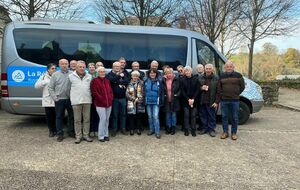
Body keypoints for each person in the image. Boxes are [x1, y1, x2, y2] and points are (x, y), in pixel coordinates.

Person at [48, 59, 74, 142]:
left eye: (66, 64)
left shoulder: (72, 74)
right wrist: (55, 98)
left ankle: (71, 132)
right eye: (62, 64)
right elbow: (50, 87)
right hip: (60, 100)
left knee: (71, 116)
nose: (64, 65)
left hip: (70, 99)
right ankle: (60, 134)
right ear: (59, 65)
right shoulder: (55, 75)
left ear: (68, 65)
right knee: (59, 117)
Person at [68, 60, 93, 144]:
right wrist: (72, 98)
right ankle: (78, 136)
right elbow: (68, 89)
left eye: (83, 67)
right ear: (76, 67)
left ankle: (86, 135)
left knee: (87, 119)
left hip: (87, 100)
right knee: (77, 120)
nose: (82, 68)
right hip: (76, 101)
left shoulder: (89, 76)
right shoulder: (71, 76)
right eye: (80, 67)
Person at [219, 61, 245, 140]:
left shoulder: (238, 75)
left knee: (235, 117)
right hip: (224, 100)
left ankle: (234, 133)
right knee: (224, 117)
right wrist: (221, 95)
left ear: (233, 67)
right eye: (227, 66)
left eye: (230, 66)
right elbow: (219, 87)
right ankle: (225, 132)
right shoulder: (221, 75)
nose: (229, 68)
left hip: (235, 100)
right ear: (225, 67)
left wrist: (236, 93)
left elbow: (242, 86)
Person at [107, 61, 130, 136]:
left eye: (119, 66)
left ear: (121, 67)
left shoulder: (124, 74)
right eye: (116, 66)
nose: (117, 68)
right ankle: (114, 129)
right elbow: (111, 80)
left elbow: (127, 81)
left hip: (123, 98)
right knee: (114, 115)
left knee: (123, 114)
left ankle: (123, 128)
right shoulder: (109, 74)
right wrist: (119, 76)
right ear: (113, 67)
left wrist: (118, 81)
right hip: (114, 98)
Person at [91, 66, 113, 142]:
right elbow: (94, 93)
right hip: (100, 104)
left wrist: (110, 98)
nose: (102, 73)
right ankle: (101, 136)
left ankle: (106, 134)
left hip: (109, 103)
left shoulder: (107, 80)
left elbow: (110, 91)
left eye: (103, 72)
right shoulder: (94, 81)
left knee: (107, 120)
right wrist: (101, 99)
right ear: (97, 73)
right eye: (100, 72)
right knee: (103, 119)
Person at [198, 64, 220, 137]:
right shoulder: (200, 77)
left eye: (209, 68)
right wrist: (201, 88)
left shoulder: (216, 78)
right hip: (202, 100)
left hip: (211, 101)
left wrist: (216, 102)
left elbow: (218, 91)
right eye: (206, 68)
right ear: (204, 69)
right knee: (203, 115)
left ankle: (211, 130)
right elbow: (197, 88)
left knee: (212, 116)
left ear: (212, 69)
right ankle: (204, 128)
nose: (208, 70)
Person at [35, 63, 57, 137]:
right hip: (47, 100)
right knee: (49, 117)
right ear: (48, 70)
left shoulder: (57, 76)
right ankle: (51, 131)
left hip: (56, 100)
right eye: (52, 68)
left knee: (57, 116)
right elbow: (36, 86)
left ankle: (56, 130)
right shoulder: (43, 77)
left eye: (55, 68)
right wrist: (44, 82)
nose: (54, 70)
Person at [144, 69, 164, 139]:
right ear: (149, 74)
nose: (152, 74)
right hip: (148, 101)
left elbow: (161, 93)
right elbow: (144, 91)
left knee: (155, 116)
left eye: (154, 73)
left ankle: (157, 132)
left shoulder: (159, 82)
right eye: (151, 73)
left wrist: (161, 101)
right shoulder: (146, 81)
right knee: (150, 116)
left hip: (156, 102)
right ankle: (151, 130)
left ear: (156, 74)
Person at [180, 66, 200, 137]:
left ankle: (193, 130)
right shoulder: (182, 80)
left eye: (188, 71)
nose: (187, 72)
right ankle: (186, 129)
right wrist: (188, 99)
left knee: (193, 115)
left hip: (194, 100)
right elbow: (182, 91)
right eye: (186, 71)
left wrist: (193, 99)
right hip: (185, 100)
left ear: (191, 71)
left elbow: (198, 90)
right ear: (184, 72)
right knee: (186, 115)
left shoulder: (196, 79)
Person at [161, 67, 180, 135]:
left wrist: (177, 95)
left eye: (170, 73)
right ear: (165, 73)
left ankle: (173, 127)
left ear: (173, 73)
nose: (169, 74)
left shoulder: (176, 79)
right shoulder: (163, 80)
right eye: (167, 73)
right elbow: (161, 89)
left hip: (174, 100)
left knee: (174, 115)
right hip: (166, 100)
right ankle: (168, 127)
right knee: (167, 115)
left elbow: (180, 89)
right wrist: (163, 96)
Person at [126, 71, 145, 135]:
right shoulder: (129, 83)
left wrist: (139, 98)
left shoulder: (142, 83)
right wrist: (133, 99)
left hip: (140, 102)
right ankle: (132, 129)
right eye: (134, 76)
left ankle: (138, 129)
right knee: (131, 116)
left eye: (136, 76)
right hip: (131, 102)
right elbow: (127, 94)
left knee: (139, 116)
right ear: (131, 76)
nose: (135, 77)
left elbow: (144, 92)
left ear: (138, 76)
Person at [88, 62, 99, 137]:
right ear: (88, 68)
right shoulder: (85, 75)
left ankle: (96, 129)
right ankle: (91, 130)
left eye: (93, 67)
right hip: (89, 97)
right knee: (90, 115)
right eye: (90, 67)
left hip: (97, 97)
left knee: (97, 114)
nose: (92, 68)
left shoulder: (98, 76)